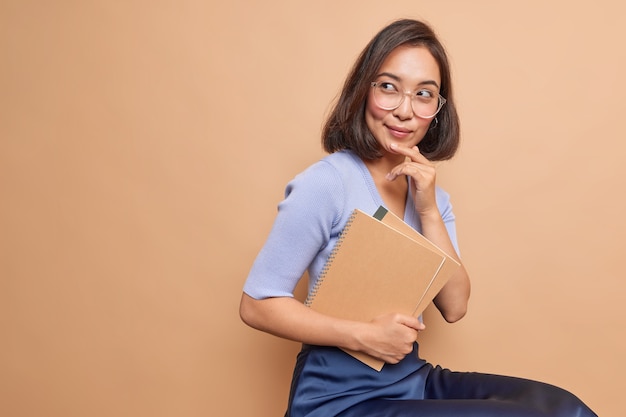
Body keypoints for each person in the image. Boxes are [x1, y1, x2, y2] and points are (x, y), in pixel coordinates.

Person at [239, 18, 597, 417]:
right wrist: (363, 336)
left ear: (438, 110)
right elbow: (257, 304)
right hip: (336, 397)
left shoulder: (433, 198)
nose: (404, 111)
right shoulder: (328, 183)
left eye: (424, 95)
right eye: (388, 87)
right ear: (363, 91)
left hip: (412, 380)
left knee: (566, 409)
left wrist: (427, 208)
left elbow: (455, 305)